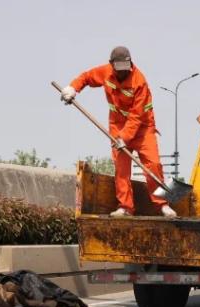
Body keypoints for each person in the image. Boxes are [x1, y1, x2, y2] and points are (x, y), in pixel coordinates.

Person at [60, 46, 176, 218]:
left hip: (143, 129)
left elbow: (137, 116)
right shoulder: (105, 72)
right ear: (112, 65)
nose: (122, 72)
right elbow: (86, 77)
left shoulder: (139, 82)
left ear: (130, 63)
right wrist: (73, 88)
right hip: (118, 127)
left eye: (125, 68)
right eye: (118, 68)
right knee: (121, 169)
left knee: (153, 165)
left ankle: (162, 205)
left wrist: (125, 138)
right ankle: (126, 207)